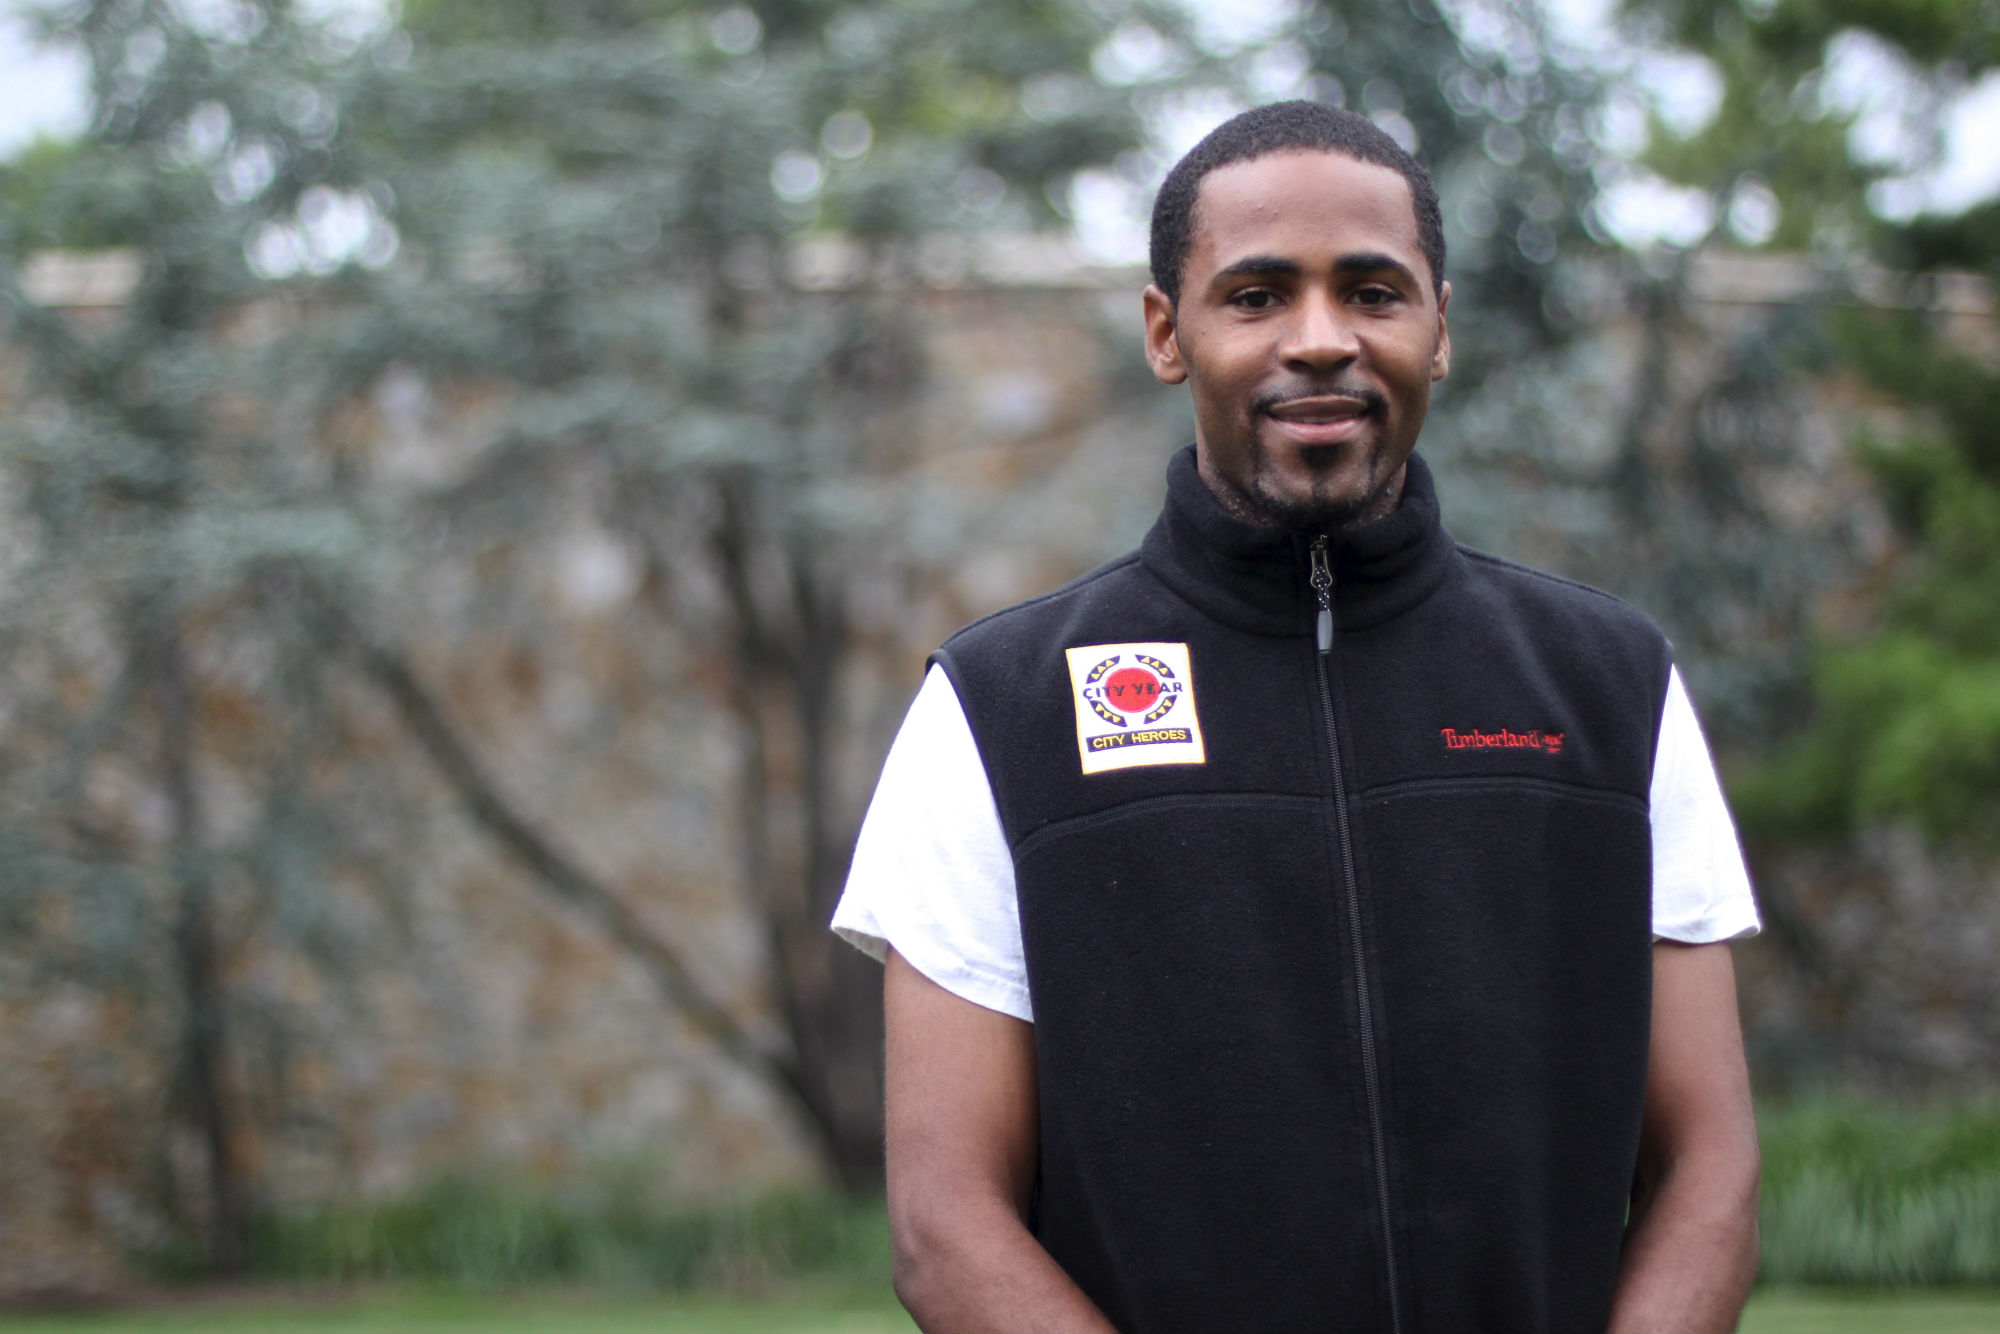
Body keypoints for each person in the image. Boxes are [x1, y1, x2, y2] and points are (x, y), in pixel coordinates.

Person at [832, 100, 1762, 1334]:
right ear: (1166, 332)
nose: (1320, 339)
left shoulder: (1609, 684)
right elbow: (944, 1224)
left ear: (1439, 328)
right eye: (1256, 295)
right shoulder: (1001, 706)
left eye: (1372, 292)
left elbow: (1708, 1168)